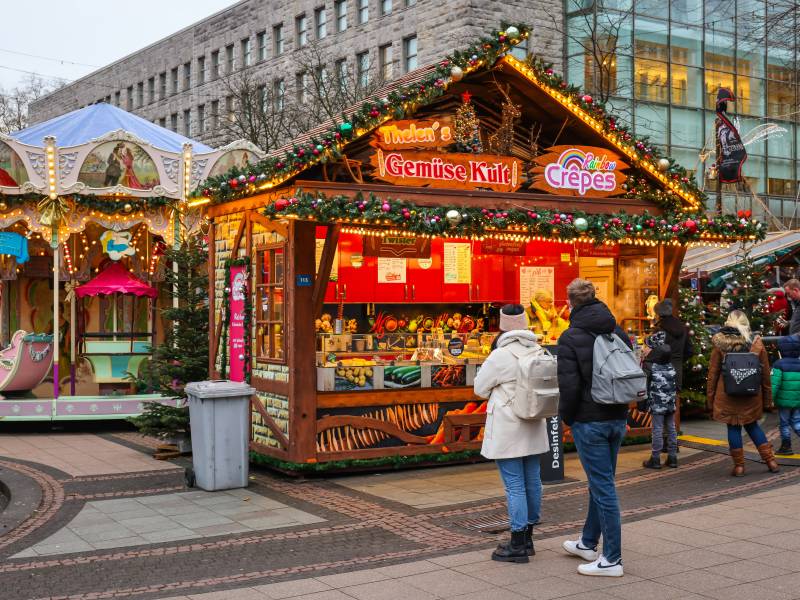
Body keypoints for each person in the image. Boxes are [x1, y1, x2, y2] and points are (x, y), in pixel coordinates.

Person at [557, 278, 628, 577]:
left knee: (604, 489)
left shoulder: (569, 338)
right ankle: (587, 542)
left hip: (591, 421)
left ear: (570, 302)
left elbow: (569, 387)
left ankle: (612, 559)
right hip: (617, 416)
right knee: (601, 484)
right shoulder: (617, 329)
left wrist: (568, 418)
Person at [474, 304, 550, 564]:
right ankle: (528, 538)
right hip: (534, 424)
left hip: (509, 427)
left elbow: (479, 389)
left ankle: (516, 542)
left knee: (515, 485)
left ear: (502, 325)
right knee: (533, 481)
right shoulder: (539, 350)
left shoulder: (501, 355)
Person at [707, 310, 777, 476]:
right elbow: (766, 375)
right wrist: (768, 400)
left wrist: (710, 400)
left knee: (733, 427)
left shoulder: (720, 344)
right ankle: (771, 461)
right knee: (753, 426)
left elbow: (713, 374)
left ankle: (739, 467)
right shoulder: (756, 343)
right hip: (751, 396)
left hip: (727, 395)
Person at [640, 331, 678, 469]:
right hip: (670, 402)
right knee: (671, 428)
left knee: (657, 429)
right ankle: (672, 457)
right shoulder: (669, 364)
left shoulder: (650, 365)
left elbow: (644, 384)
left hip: (657, 403)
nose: (644, 349)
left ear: (653, 348)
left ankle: (655, 459)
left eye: (646, 346)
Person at [652, 299, 691, 392]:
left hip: (661, 371)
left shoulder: (659, 329)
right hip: (677, 370)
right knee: (676, 398)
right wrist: (678, 359)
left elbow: (654, 352)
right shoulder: (683, 327)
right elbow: (689, 350)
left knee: (660, 401)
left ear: (659, 314)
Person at [771, 333, 800, 455]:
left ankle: (786, 446)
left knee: (784, 423)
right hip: (798, 400)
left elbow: (774, 384)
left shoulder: (779, 364)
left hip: (784, 402)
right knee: (797, 422)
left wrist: (770, 399)